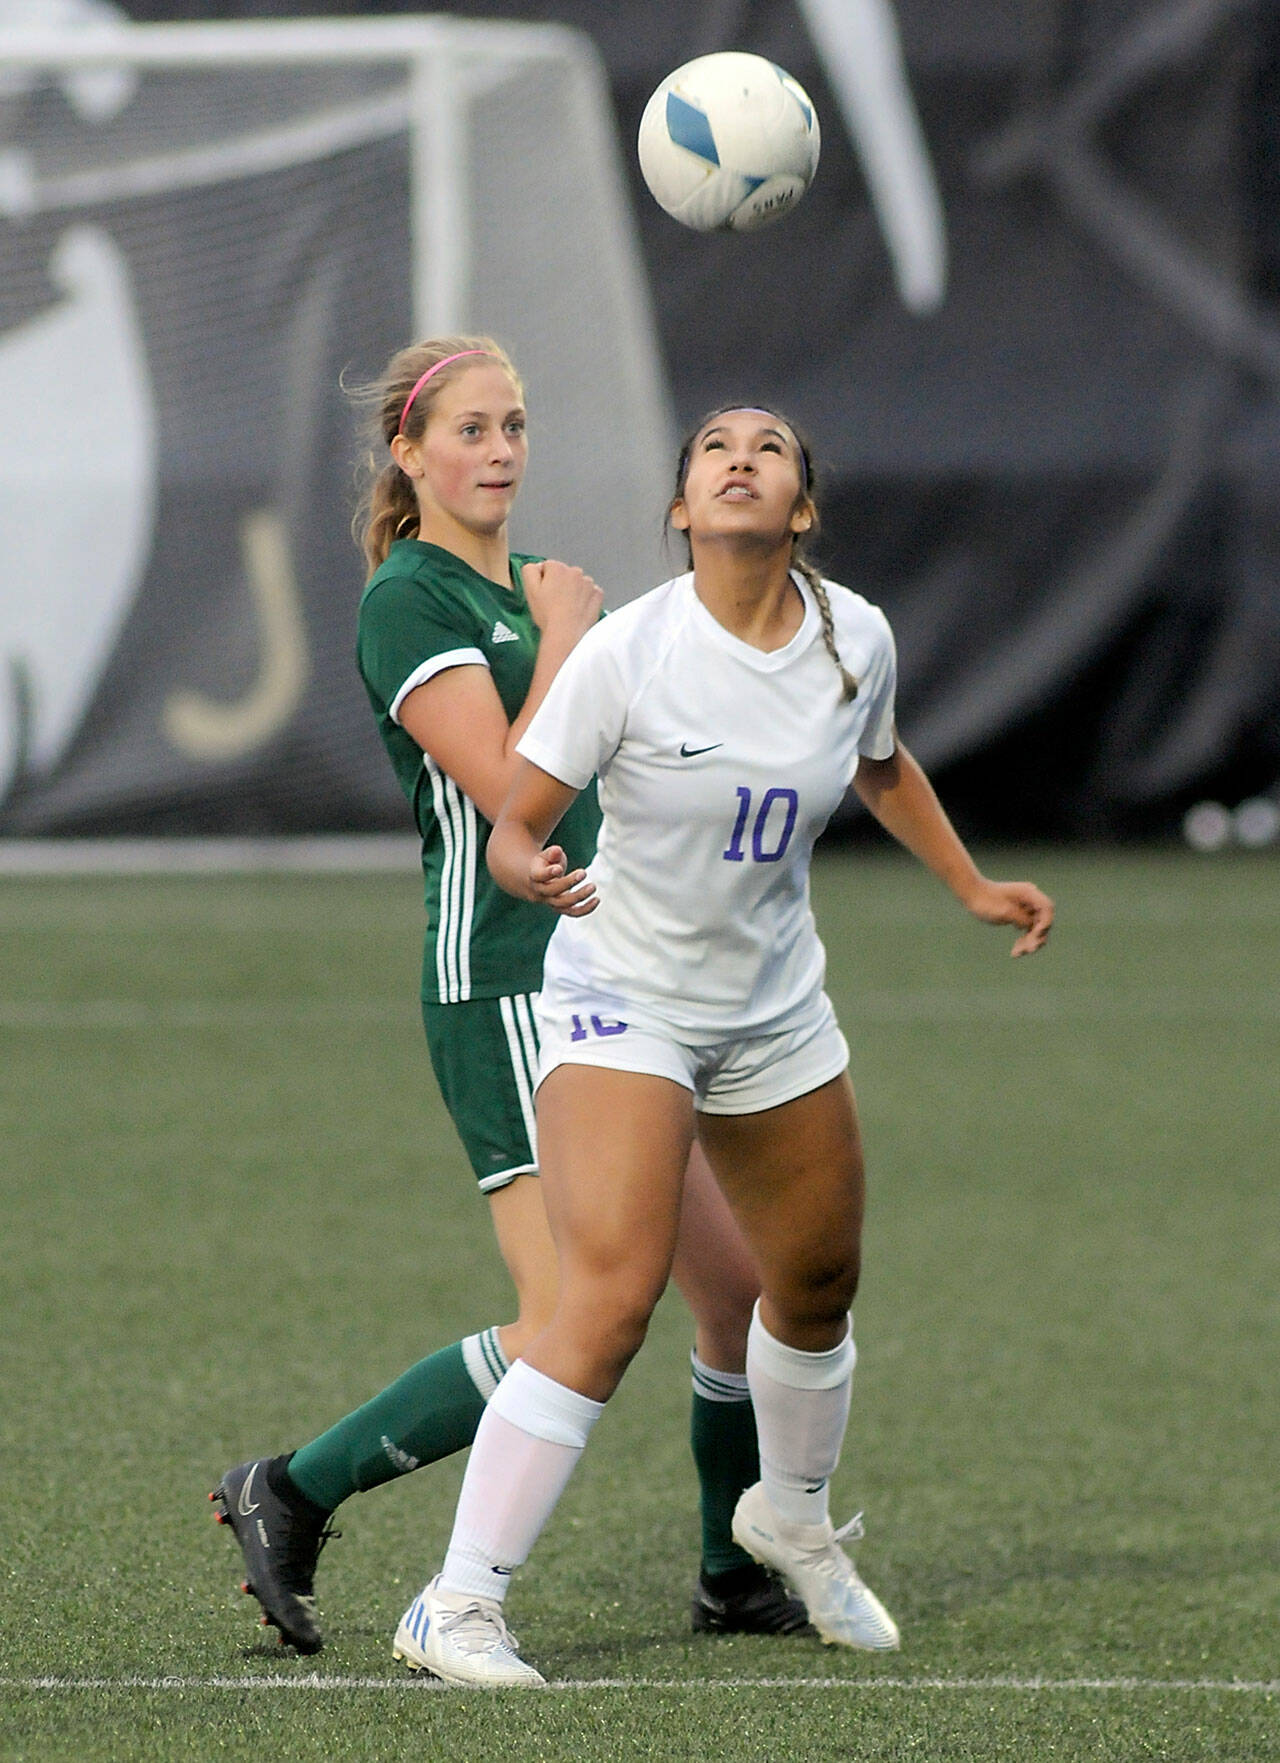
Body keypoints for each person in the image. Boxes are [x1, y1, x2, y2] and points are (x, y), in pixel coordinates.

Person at [390, 403, 1055, 1687]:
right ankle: (456, 1603)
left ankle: (788, 1516)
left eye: (769, 447)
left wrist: (971, 887)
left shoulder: (852, 633)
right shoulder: (630, 651)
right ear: (683, 509)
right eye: (712, 448)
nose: (739, 455)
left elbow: (880, 763)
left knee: (810, 1284)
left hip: (773, 1006)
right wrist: (532, 871)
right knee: (608, 1298)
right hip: (623, 999)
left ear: (799, 507)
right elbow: (517, 824)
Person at [211, 342, 810, 1654]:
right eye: (470, 428)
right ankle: (299, 1490)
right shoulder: (410, 600)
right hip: (506, 980)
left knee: (741, 1287)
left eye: (516, 425)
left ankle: (729, 1568)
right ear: (410, 455)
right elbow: (507, 783)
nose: (499, 449)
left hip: (620, 977)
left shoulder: (531, 597)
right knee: (570, 1313)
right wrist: (564, 637)